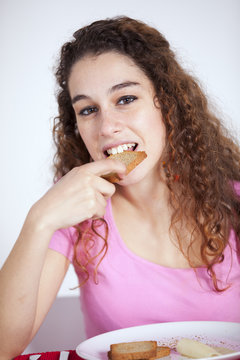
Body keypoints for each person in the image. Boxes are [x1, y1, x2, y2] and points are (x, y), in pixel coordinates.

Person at [0, 16, 240, 358]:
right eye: (88, 110)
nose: (107, 126)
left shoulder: (233, 201)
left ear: (167, 103)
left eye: (126, 99)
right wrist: (39, 219)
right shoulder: (77, 210)